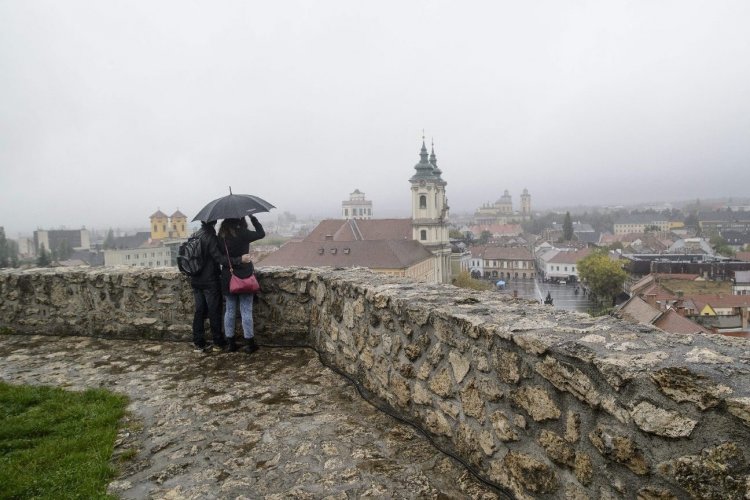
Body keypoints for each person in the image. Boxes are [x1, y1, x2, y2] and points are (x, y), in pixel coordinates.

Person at [190, 220, 240, 353]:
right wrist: (237, 260)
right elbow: (219, 258)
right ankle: (218, 342)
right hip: (210, 281)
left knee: (199, 311)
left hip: (195, 279)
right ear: (214, 222)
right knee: (214, 311)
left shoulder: (194, 234)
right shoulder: (211, 237)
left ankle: (199, 343)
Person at [218, 215, 265, 353]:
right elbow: (261, 233)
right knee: (246, 310)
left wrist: (234, 260)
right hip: (245, 276)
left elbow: (220, 259)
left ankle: (231, 343)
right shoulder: (243, 233)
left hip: (229, 277)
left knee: (230, 311)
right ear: (240, 219)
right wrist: (254, 219)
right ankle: (250, 343)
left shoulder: (221, 236)